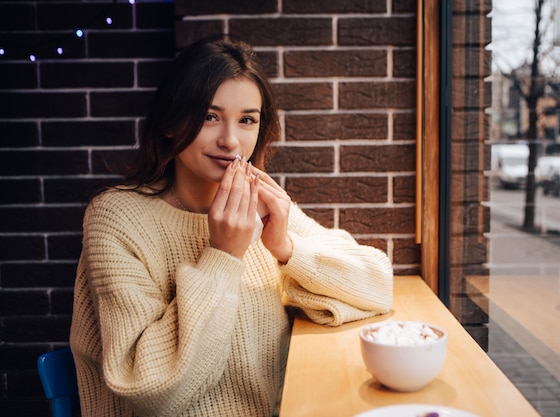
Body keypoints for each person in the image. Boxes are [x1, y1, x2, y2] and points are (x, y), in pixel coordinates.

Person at [69, 38, 393, 417]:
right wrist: (223, 255)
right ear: (171, 122)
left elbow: (378, 285)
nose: (230, 140)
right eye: (209, 116)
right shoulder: (117, 217)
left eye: (247, 120)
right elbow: (152, 390)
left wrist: (287, 248)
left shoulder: (257, 203)